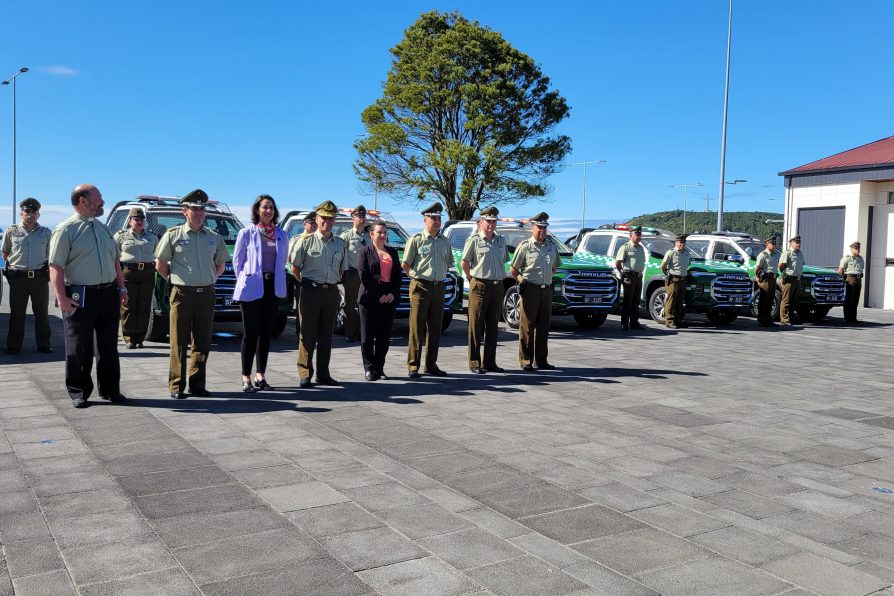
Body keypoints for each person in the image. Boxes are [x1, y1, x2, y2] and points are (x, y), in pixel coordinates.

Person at [49, 184, 128, 408]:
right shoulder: (66, 230)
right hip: (80, 295)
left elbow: (115, 261)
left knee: (108, 346)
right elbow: (55, 266)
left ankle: (110, 389)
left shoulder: (102, 229)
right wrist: (62, 298)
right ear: (83, 201)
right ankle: (78, 391)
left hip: (108, 294)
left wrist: (121, 288)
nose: (102, 202)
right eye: (98, 198)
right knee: (78, 347)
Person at [154, 189, 229, 399]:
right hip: (182, 294)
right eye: (195, 209)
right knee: (178, 340)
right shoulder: (173, 235)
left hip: (206, 294)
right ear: (184, 211)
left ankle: (197, 385)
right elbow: (160, 264)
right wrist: (174, 280)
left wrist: (208, 279)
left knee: (203, 340)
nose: (199, 213)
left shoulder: (214, 237)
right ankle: (177, 386)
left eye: (202, 209)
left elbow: (220, 264)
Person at [289, 200, 348, 388]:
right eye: (323, 218)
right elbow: (295, 268)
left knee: (326, 334)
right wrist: (306, 284)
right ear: (316, 218)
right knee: (307, 333)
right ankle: (305, 373)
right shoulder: (305, 241)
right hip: (310, 291)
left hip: (330, 292)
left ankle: (323, 373)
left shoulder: (340, 243)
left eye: (331, 219)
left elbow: (343, 270)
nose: (327, 222)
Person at [233, 195, 288, 392]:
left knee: (266, 333)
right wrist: (246, 279)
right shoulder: (246, 233)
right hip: (252, 287)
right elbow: (237, 263)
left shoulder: (281, 234)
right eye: (264, 207)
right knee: (250, 333)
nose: (268, 211)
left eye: (271, 208)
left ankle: (260, 374)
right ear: (257, 210)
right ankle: (245, 376)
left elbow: (282, 261)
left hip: (272, 287)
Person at [402, 202, 453, 378]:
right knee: (417, 327)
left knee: (435, 328)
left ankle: (431, 364)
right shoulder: (416, 240)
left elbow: (448, 263)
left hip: (439, 287)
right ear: (425, 220)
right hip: (420, 287)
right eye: (433, 218)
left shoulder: (445, 241)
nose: (437, 221)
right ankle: (413, 365)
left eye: (439, 218)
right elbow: (406, 265)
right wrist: (416, 279)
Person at [2, 197, 53, 355]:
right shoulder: (12, 231)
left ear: (38, 214)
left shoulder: (46, 233)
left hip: (39, 278)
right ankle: (14, 346)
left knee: (42, 313)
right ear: (21, 213)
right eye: (27, 211)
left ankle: (44, 345)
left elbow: (51, 255)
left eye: (34, 212)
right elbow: (5, 253)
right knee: (17, 313)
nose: (30, 214)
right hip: (19, 278)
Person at [461, 206, 508, 373]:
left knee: (493, 326)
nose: (491, 225)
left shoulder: (501, 241)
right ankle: (474, 362)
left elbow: (504, 260)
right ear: (480, 222)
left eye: (494, 222)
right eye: (488, 221)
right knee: (476, 325)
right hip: (480, 285)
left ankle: (490, 362)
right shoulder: (474, 240)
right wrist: (471, 279)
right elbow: (465, 263)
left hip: (497, 286)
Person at [510, 212, 559, 372]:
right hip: (531, 289)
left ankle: (541, 360)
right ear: (532, 228)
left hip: (546, 290)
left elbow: (554, 266)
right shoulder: (525, 246)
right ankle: (526, 360)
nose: (542, 231)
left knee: (544, 326)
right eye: (539, 227)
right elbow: (514, 269)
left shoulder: (551, 246)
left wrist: (546, 279)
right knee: (527, 327)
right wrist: (522, 280)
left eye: (545, 228)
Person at [357, 221, 401, 381]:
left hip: (388, 300)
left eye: (385, 232)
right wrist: (379, 295)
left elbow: (397, 276)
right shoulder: (364, 252)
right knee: (367, 337)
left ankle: (379, 368)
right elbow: (364, 275)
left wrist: (392, 294)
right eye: (379, 232)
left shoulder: (392, 252)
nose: (383, 235)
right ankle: (369, 369)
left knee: (384, 336)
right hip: (370, 298)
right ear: (371, 234)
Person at [115, 207, 158, 348]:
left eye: (141, 219)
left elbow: (158, 255)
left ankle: (140, 338)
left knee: (144, 306)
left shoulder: (152, 237)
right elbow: (114, 257)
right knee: (128, 305)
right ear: (130, 221)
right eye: (136, 219)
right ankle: (129, 338)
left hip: (147, 273)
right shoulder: (121, 236)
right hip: (128, 273)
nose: (139, 222)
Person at [339, 205, 370, 343]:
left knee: (364, 304)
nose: (362, 219)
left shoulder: (370, 235)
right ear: (353, 218)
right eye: (359, 216)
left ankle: (362, 333)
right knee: (350, 304)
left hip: (367, 275)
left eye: (364, 216)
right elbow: (340, 256)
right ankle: (350, 333)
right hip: (351, 274)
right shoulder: (346, 236)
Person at [287, 211, 317, 339]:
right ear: (304, 224)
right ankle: (301, 334)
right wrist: (299, 279)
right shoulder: (296, 240)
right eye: (311, 223)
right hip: (300, 279)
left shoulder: (319, 240)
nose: (314, 225)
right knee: (302, 310)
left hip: (316, 279)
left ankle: (313, 334)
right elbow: (290, 261)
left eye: (316, 223)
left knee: (315, 309)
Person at [615, 226, 647, 330]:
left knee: (636, 301)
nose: (639, 237)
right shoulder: (626, 247)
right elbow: (618, 262)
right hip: (629, 277)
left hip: (638, 277)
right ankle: (624, 323)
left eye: (640, 235)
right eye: (637, 235)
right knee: (628, 301)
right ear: (631, 236)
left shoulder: (641, 248)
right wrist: (622, 273)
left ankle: (634, 323)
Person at [660, 233, 690, 329]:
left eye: (684, 242)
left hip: (683, 279)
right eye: (680, 242)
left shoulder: (686, 253)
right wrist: (668, 275)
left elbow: (688, 264)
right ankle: (669, 321)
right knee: (671, 300)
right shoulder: (671, 252)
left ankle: (678, 320)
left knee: (679, 301)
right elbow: (663, 266)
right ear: (676, 243)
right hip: (674, 279)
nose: (682, 244)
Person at [778, 235, 804, 326]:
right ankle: (784, 319)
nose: (798, 244)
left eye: (799, 242)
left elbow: (801, 265)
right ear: (791, 243)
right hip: (789, 279)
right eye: (796, 242)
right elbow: (781, 266)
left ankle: (791, 317)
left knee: (794, 300)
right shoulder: (787, 253)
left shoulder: (800, 253)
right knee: (786, 299)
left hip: (797, 279)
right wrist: (785, 274)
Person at [754, 236, 780, 327]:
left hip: (773, 279)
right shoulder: (763, 255)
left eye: (775, 244)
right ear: (767, 244)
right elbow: (757, 268)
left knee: (770, 299)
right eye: (772, 244)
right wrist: (758, 279)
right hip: (765, 279)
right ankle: (761, 319)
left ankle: (768, 319)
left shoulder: (776, 254)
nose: (774, 245)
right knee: (763, 300)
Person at [838, 241, 865, 324]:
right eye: (856, 248)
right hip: (850, 279)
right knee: (849, 299)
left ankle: (853, 318)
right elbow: (840, 271)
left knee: (855, 299)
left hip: (858, 279)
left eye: (858, 248)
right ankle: (847, 317)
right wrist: (841, 280)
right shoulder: (847, 258)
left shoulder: (860, 259)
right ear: (851, 249)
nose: (858, 250)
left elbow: (861, 269)